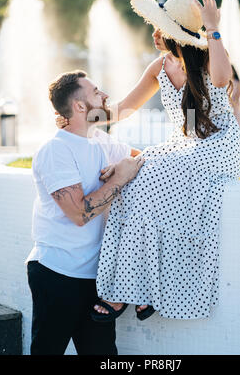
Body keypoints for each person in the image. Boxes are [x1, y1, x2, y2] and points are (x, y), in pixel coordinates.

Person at [88, 0, 240, 320]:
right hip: (184, 145)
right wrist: (82, 116)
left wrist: (213, 27)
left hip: (218, 146)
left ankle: (148, 288)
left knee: (153, 173)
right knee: (129, 177)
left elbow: (220, 79)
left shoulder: (209, 56)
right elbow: (124, 109)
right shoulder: (159, 66)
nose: (154, 33)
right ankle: (137, 286)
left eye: (160, 28)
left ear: (176, 36)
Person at [25, 70, 145, 355]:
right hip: (57, 273)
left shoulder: (101, 142)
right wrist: (119, 178)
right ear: (80, 107)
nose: (104, 96)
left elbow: (143, 160)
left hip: (96, 279)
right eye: (96, 92)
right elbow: (79, 214)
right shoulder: (56, 150)